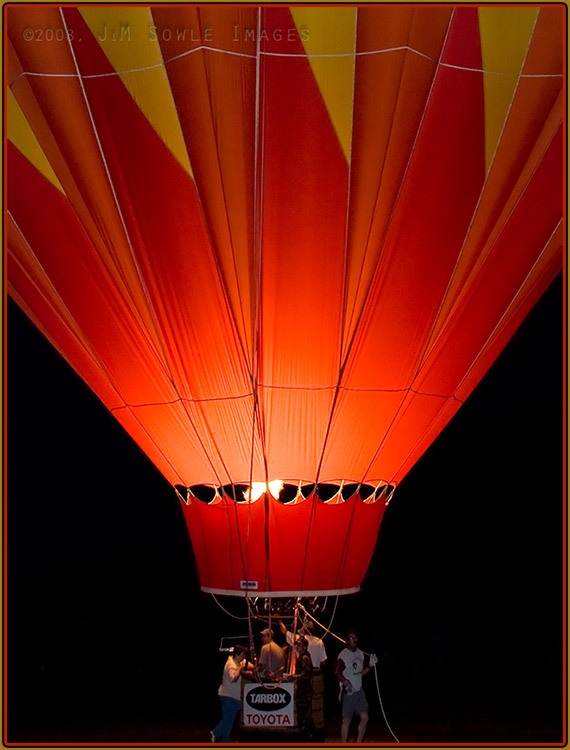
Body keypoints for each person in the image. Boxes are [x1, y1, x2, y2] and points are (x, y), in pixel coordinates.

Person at [211, 644, 253, 743]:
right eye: (243, 655)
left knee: (228, 718)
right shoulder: (231, 664)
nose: (244, 658)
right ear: (238, 654)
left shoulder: (240, 661)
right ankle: (226, 739)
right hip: (228, 696)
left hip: (234, 696)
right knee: (229, 719)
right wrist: (240, 669)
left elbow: (251, 666)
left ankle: (216, 733)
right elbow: (233, 678)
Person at [335, 629, 371, 743]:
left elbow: (361, 672)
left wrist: (370, 666)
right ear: (346, 640)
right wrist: (345, 682)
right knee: (347, 721)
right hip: (348, 693)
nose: (354, 640)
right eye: (351, 638)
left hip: (359, 691)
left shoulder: (360, 653)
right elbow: (337, 673)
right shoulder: (343, 655)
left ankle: (359, 743)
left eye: (355, 638)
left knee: (365, 718)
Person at [284, 636, 314, 739]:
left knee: (304, 715)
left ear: (305, 647)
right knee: (302, 714)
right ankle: (306, 735)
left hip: (304, 691)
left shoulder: (304, 658)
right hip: (303, 690)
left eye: (299, 645)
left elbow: (305, 675)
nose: (297, 647)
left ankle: (308, 736)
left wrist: (292, 677)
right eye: (297, 645)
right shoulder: (302, 657)